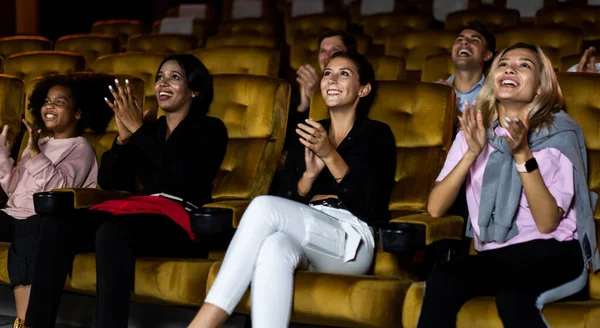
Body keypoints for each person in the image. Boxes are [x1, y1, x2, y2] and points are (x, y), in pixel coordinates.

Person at [188, 51, 396, 328]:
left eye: (344, 73)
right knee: (274, 246)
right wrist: (308, 178)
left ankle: (205, 322)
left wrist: (330, 154)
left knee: (262, 206)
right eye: (328, 73)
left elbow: (371, 206)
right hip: (307, 231)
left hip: (351, 241)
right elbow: (287, 197)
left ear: (364, 88)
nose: (332, 79)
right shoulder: (309, 131)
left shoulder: (377, 134)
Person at [24, 54, 228, 328]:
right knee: (55, 223)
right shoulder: (150, 130)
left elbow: (182, 177)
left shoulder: (210, 128)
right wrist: (122, 140)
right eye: (160, 77)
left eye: (174, 77)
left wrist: (138, 131)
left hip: (180, 219)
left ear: (195, 90)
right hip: (139, 211)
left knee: (113, 231)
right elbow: (110, 182)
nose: (163, 83)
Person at [419, 43, 599, 328]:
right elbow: (436, 207)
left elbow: (548, 223)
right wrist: (471, 153)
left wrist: (522, 154)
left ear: (540, 87)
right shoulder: (473, 134)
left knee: (513, 298)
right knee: (443, 278)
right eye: (504, 64)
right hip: (496, 255)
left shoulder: (560, 135)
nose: (510, 68)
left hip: (555, 253)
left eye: (524, 65)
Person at [0, 73, 112, 328]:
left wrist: (36, 153)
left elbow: (60, 189)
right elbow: (14, 188)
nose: (50, 106)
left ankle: (26, 323)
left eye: (60, 102)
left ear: (78, 113)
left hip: (42, 218)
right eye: (47, 101)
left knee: (28, 234)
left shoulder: (80, 147)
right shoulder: (38, 143)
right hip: (14, 213)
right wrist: (3, 154)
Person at [438, 21, 495, 112]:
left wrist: (454, 112)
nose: (464, 42)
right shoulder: (435, 91)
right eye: (459, 40)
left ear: (487, 55)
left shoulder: (495, 95)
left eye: (474, 40)